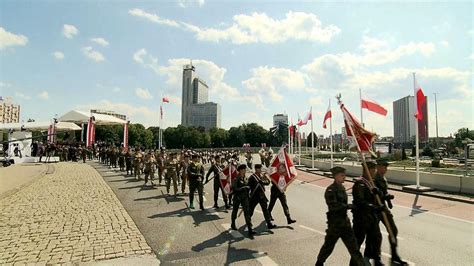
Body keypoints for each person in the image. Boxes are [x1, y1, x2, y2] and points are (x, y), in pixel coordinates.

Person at [315, 167, 365, 266]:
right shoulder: (330, 190)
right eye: (342, 175)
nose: (344, 177)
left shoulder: (342, 188)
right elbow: (333, 205)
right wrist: (348, 206)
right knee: (328, 247)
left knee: (354, 248)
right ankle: (319, 263)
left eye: (344, 175)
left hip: (345, 224)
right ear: (336, 176)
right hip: (335, 225)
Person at [375, 158, 407, 265]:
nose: (386, 169)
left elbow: (383, 192)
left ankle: (394, 255)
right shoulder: (373, 178)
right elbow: (375, 193)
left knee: (393, 230)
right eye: (384, 166)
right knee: (375, 235)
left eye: (386, 167)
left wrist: (387, 198)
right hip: (375, 209)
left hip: (383, 207)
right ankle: (376, 258)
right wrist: (384, 196)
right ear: (378, 167)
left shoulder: (382, 178)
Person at [351, 161, 383, 266]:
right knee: (358, 242)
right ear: (367, 171)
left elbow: (376, 196)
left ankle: (371, 259)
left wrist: (381, 195)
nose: (375, 172)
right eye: (373, 170)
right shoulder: (360, 184)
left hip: (371, 218)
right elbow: (361, 202)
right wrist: (374, 207)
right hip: (361, 219)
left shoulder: (371, 183)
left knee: (376, 238)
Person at [248, 164, 276, 229]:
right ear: (256, 169)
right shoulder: (252, 177)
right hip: (254, 196)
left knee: (265, 210)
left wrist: (266, 178)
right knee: (251, 211)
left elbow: (267, 183)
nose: (260, 170)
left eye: (260, 169)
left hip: (262, 196)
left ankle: (269, 224)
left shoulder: (261, 176)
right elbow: (249, 187)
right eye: (259, 169)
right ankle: (248, 223)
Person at [230, 164, 255, 237]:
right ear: (240, 170)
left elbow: (249, 186)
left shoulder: (246, 178)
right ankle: (233, 223)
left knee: (247, 213)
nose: (245, 171)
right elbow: (235, 189)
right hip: (237, 198)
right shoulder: (236, 179)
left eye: (245, 169)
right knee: (235, 211)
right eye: (243, 169)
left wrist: (249, 189)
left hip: (245, 198)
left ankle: (250, 228)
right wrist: (244, 188)